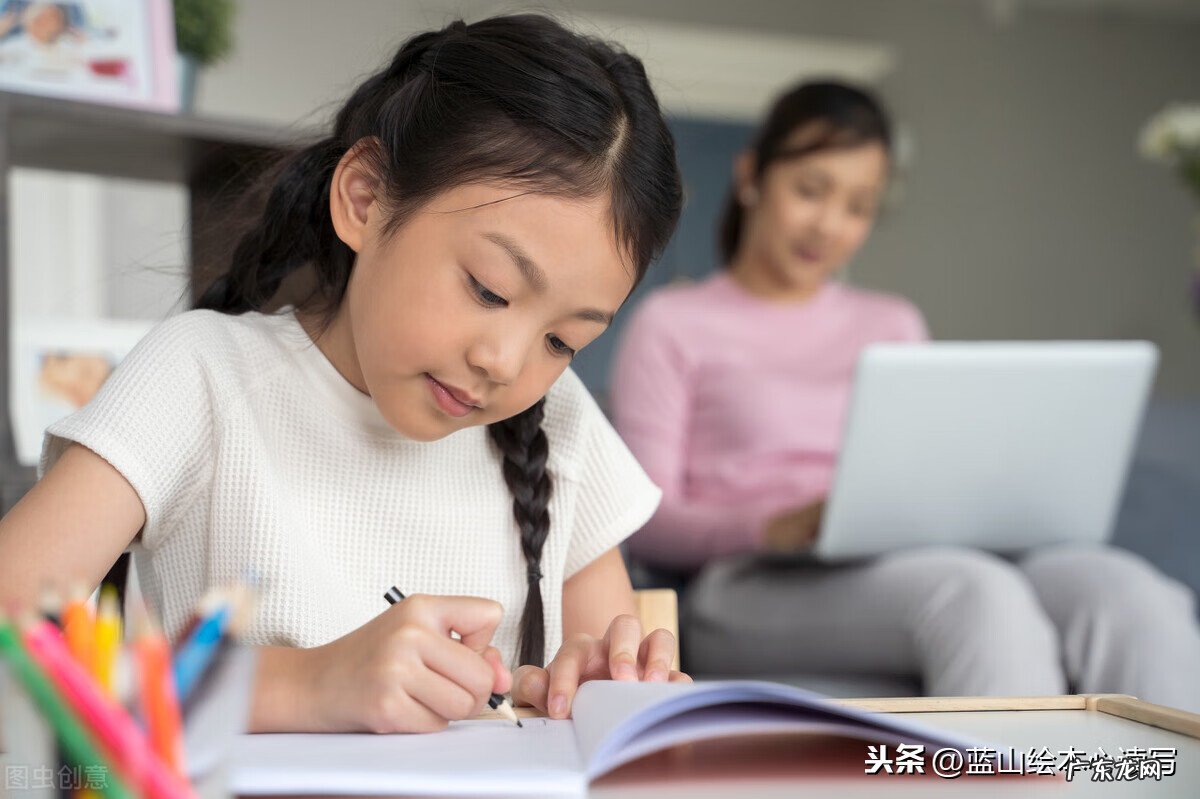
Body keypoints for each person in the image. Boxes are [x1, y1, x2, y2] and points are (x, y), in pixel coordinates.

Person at [0, 14, 690, 734]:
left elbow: (611, 681)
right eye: (488, 289)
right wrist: (301, 683)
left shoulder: (561, 422)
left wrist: (602, 682)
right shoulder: (201, 375)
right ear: (365, 198)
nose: (506, 363)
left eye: (561, 339)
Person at [609, 81, 1200, 712]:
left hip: (908, 556)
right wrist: (773, 526)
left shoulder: (893, 322)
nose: (830, 226)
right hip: (750, 580)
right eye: (811, 191)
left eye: (860, 207)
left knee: (1131, 592)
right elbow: (646, 522)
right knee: (975, 596)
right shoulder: (673, 323)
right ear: (753, 175)